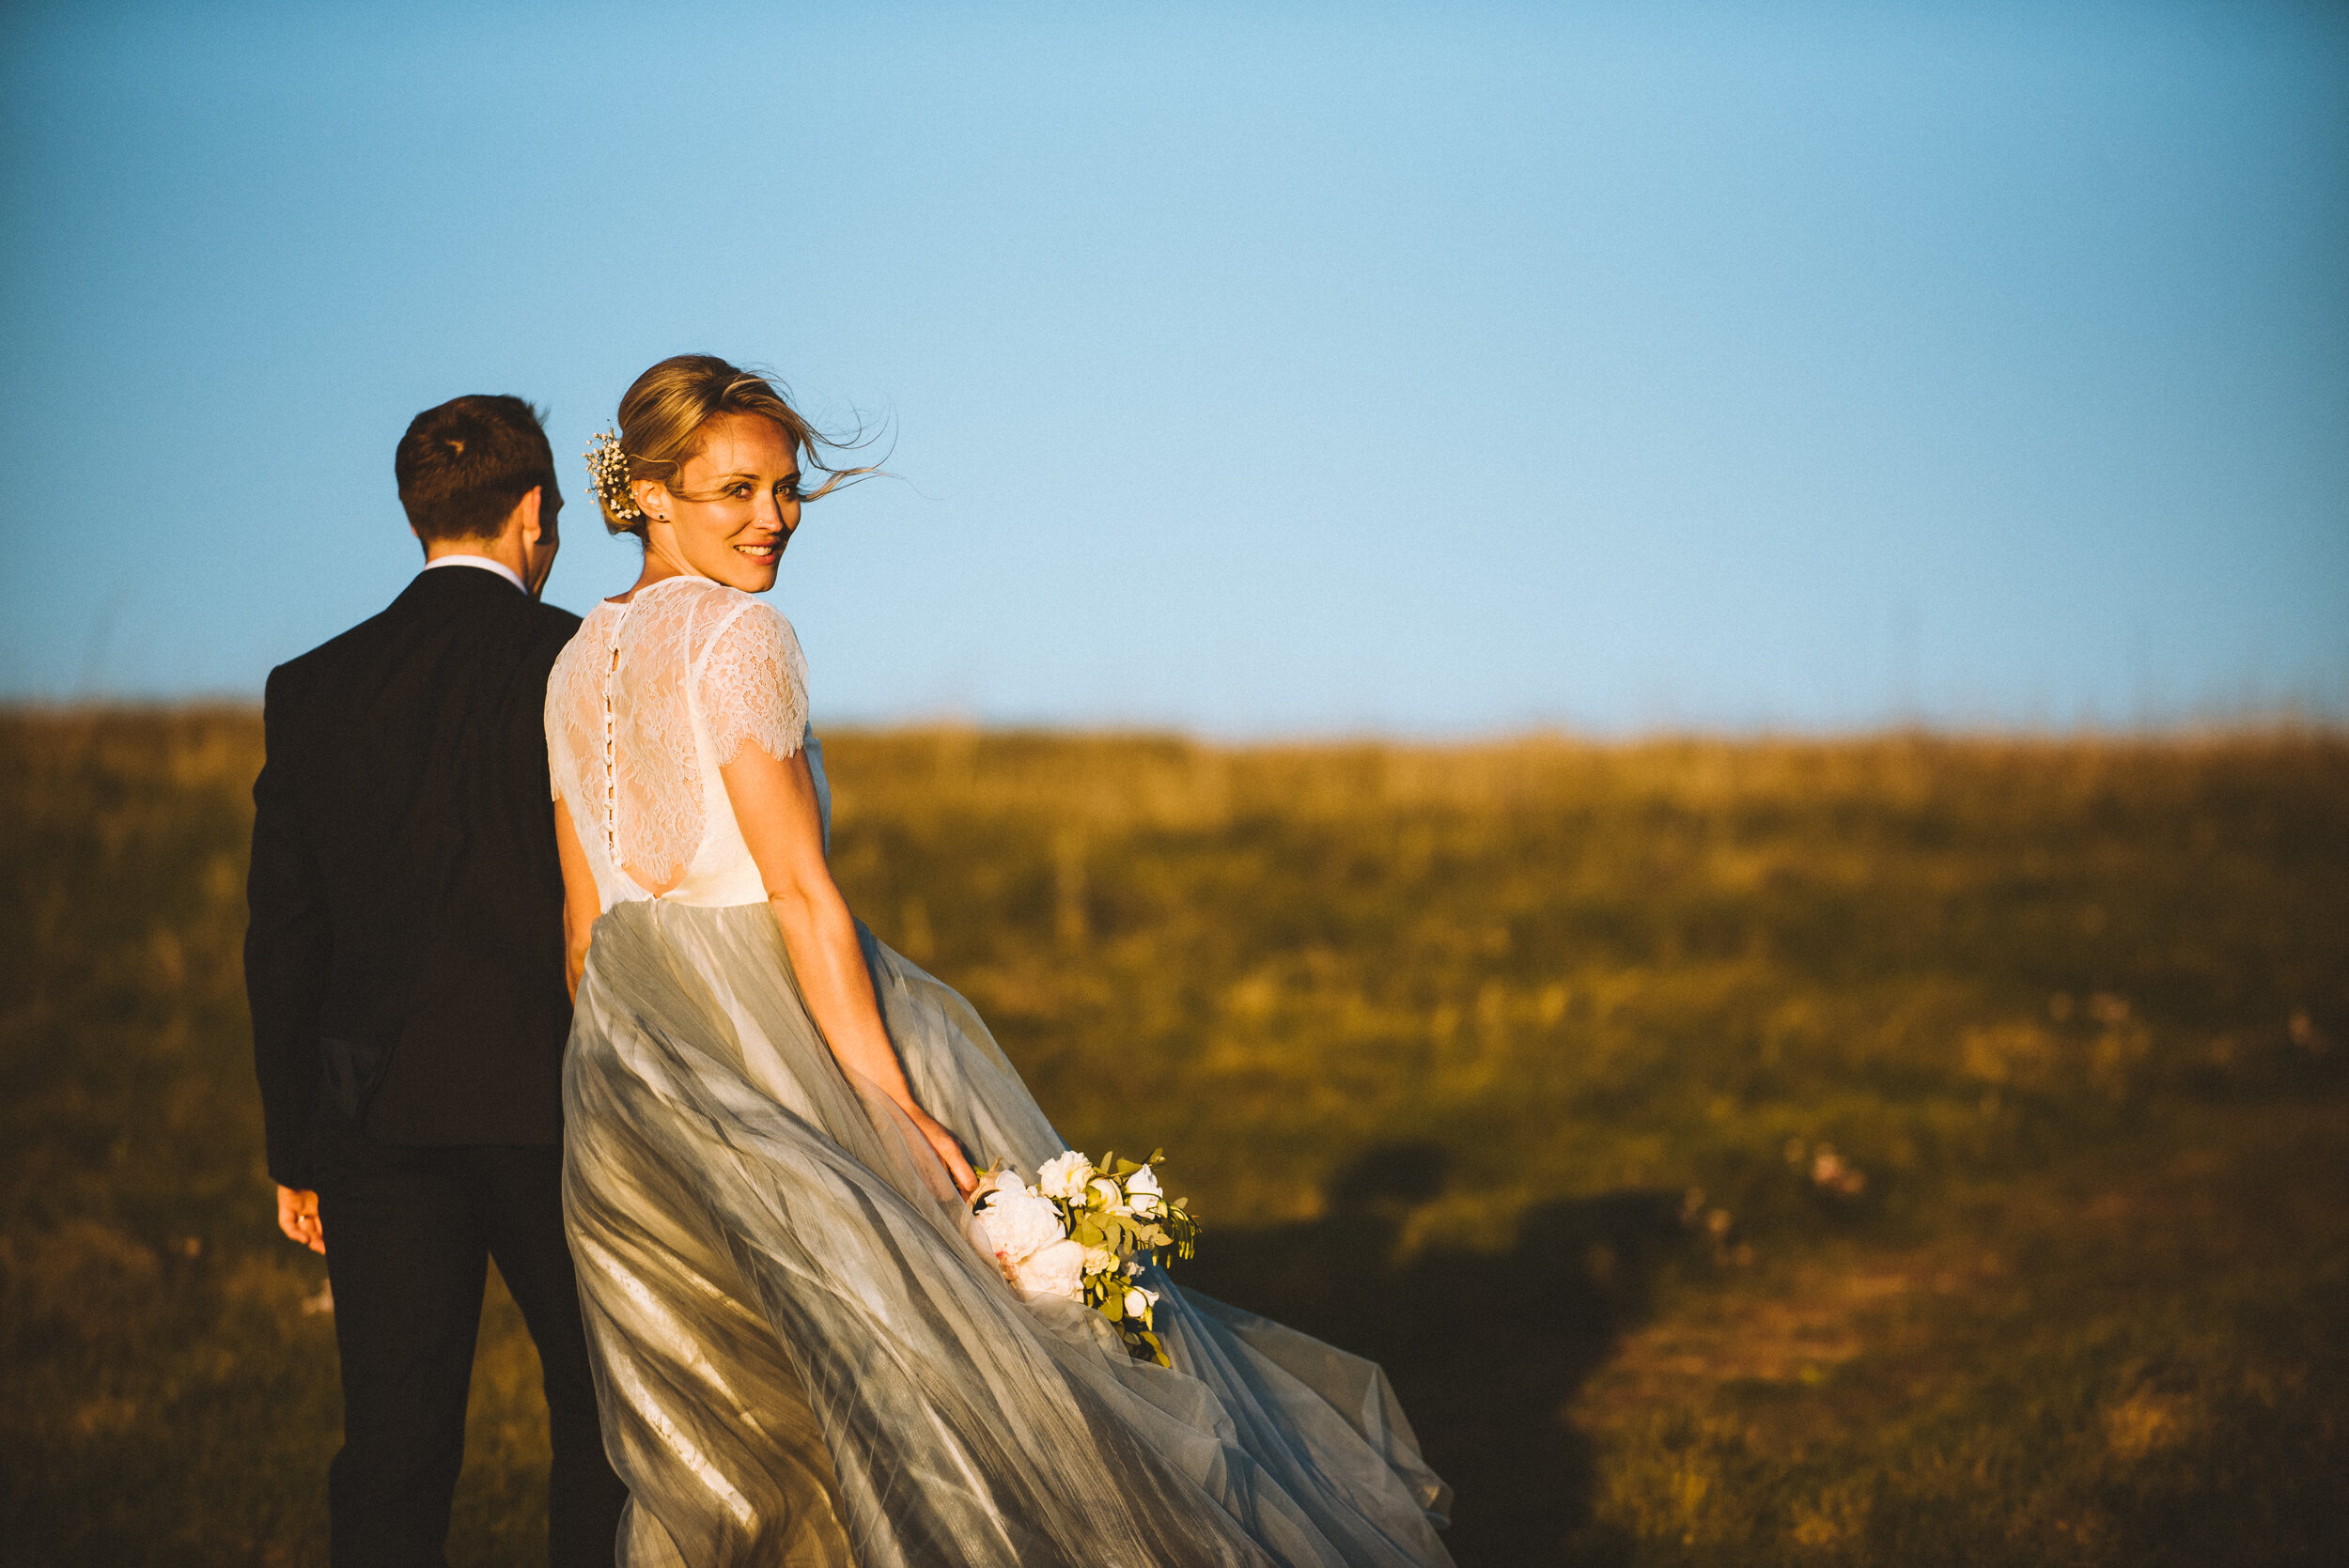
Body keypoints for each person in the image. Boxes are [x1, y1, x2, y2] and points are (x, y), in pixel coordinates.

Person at [550, 353, 1455, 1567]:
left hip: (626, 1080)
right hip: (780, 1038)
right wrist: (887, 1103)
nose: (774, 519)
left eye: (787, 487)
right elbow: (805, 898)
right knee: (953, 1386)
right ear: (652, 495)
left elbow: (581, 934)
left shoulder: (568, 667)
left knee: (730, 1417)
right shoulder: (739, 635)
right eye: (736, 492)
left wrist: (634, 1078)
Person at [247, 395, 630, 1567]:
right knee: (605, 1425)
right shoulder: (582, 663)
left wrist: (293, 1145)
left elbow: (282, 934)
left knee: (395, 1447)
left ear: (419, 515)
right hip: (554, 1105)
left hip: (373, 1117)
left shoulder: (310, 687)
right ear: (531, 514)